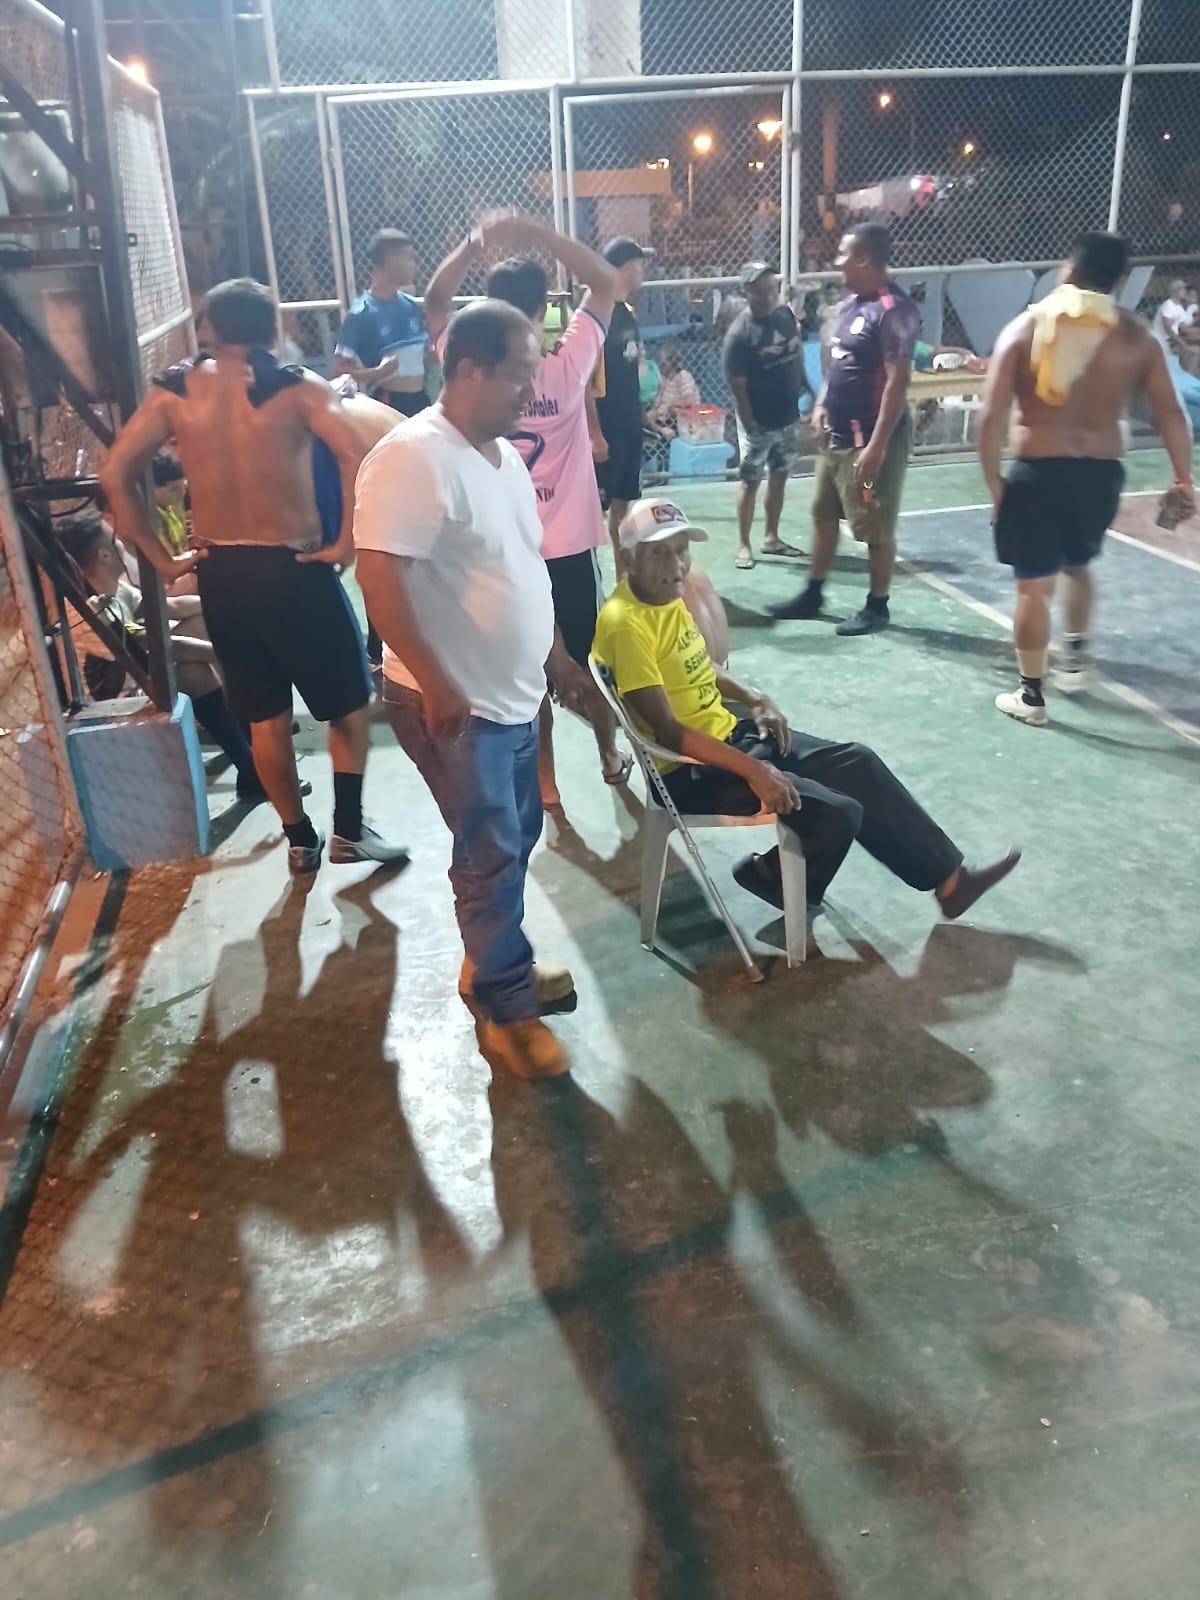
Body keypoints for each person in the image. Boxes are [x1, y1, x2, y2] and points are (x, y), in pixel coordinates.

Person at [354, 300, 593, 1082]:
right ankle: (509, 1011)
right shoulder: (412, 457)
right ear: (467, 370)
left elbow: (520, 568)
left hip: (512, 697)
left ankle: (490, 963)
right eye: (520, 374)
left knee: (514, 839)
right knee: (490, 855)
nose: (532, 390)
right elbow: (378, 579)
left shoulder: (502, 459)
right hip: (456, 706)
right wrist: (435, 678)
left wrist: (556, 658)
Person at [99, 277, 408, 875]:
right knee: (349, 705)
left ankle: (299, 840)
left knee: (265, 716)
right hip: (291, 569)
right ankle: (348, 830)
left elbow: (115, 475)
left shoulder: (174, 391)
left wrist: (161, 561)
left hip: (221, 573)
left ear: (211, 328)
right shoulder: (297, 388)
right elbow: (359, 456)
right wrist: (344, 541)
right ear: (270, 328)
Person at [593, 498, 1020, 921]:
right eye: (659, 553)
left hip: (729, 736)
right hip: (688, 773)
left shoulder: (665, 596)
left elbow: (700, 664)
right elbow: (668, 732)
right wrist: (754, 770)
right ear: (628, 560)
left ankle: (950, 882)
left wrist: (756, 697)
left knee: (858, 763)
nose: (676, 565)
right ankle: (771, 875)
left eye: (681, 550)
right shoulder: (626, 622)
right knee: (838, 814)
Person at [421, 213, 630, 801]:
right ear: (542, 311)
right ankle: (609, 754)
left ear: (488, 307)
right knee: (581, 667)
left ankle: (545, 784)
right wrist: (535, 232)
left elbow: (434, 301)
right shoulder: (565, 366)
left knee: (527, 674)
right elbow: (606, 281)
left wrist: (473, 242)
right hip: (566, 549)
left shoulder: (479, 373)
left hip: (501, 551)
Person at [979, 231, 1196, 726]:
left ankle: (1031, 696)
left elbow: (990, 417)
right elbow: (1171, 413)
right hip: (1100, 476)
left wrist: (996, 486)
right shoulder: (1136, 336)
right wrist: (1182, 478)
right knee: (1077, 565)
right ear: (1117, 281)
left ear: (1069, 271)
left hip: (1038, 473)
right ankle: (1075, 659)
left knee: (1032, 587)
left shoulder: (1027, 328)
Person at [56, 505, 268, 804]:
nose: (120, 543)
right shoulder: (89, 611)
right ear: (104, 554)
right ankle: (251, 766)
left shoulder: (114, 589)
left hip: (137, 679)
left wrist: (230, 603)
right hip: (112, 705)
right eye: (113, 539)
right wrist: (228, 652)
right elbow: (160, 646)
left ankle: (251, 749)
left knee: (203, 622)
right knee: (191, 669)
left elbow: (169, 607)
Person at [770, 223, 920, 635]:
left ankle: (877, 607)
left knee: (875, 526)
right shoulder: (853, 304)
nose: (836, 261)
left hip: (868, 441)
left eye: (842, 254)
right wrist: (821, 403)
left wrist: (876, 447)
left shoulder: (894, 311)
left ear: (863, 258)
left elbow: (897, 383)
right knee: (823, 514)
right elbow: (840, 364)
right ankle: (813, 594)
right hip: (836, 437)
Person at [723, 262, 811, 570]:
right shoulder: (739, 335)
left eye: (772, 288)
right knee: (750, 481)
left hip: (787, 416)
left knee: (780, 475)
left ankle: (771, 537)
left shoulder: (785, 315)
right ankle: (744, 544)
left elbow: (797, 354)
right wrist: (751, 427)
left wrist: (808, 388)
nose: (769, 294)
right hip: (759, 422)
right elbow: (738, 388)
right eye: (761, 290)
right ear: (747, 292)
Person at [334, 230, 430, 416]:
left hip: (420, 399)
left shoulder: (410, 305)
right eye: (409, 258)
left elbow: (422, 355)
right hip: (389, 402)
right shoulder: (361, 313)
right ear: (391, 260)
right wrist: (378, 372)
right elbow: (339, 373)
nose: (414, 265)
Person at [593, 237, 650, 553]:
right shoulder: (598, 316)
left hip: (629, 422)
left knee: (623, 502)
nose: (642, 271)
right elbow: (585, 383)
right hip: (608, 423)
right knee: (596, 507)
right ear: (626, 266)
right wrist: (594, 434)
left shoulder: (627, 312)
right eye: (639, 264)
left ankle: (622, 573)